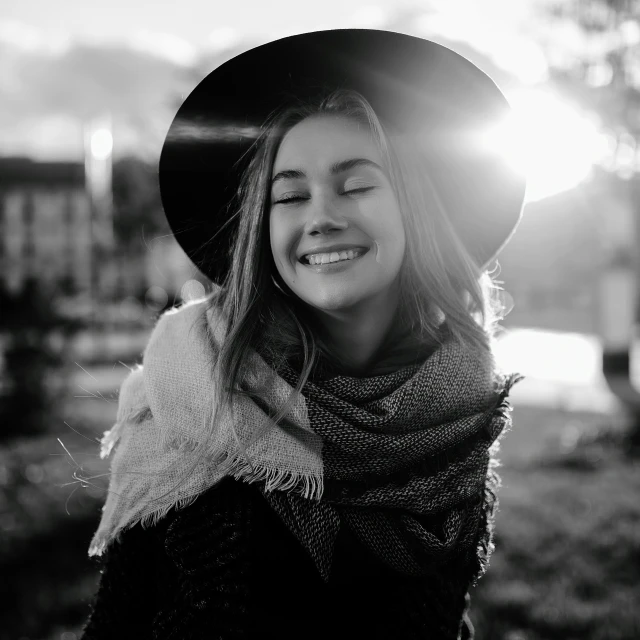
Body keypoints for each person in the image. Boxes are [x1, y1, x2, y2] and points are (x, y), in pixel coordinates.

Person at [80, 29, 526, 639]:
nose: (321, 218)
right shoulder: (190, 401)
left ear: (415, 212)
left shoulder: (458, 411)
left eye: (358, 185)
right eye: (290, 196)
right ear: (263, 231)